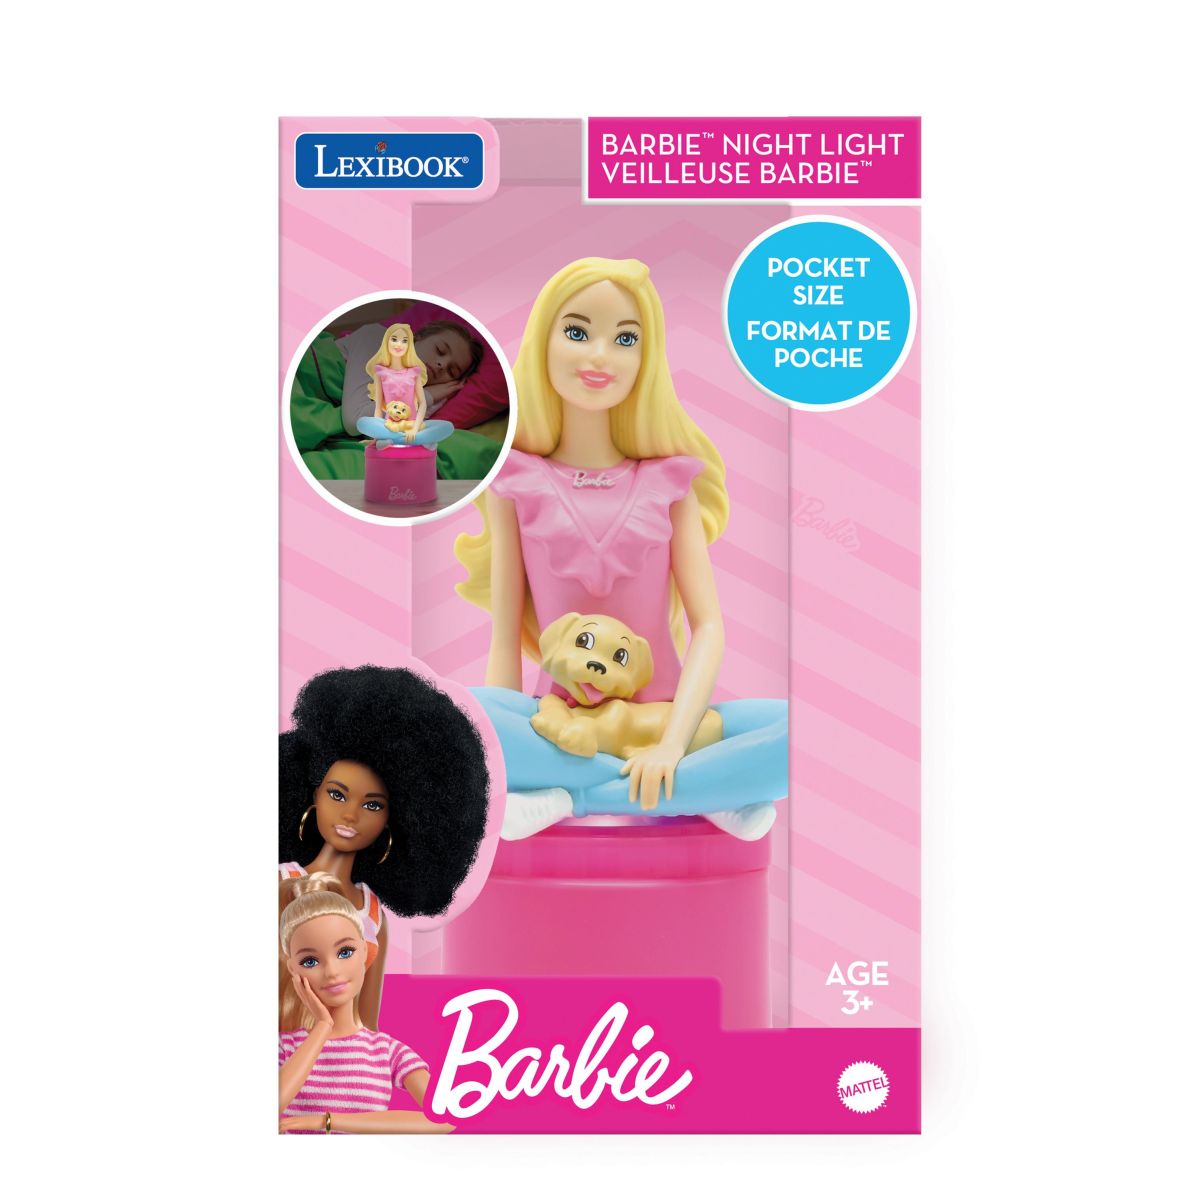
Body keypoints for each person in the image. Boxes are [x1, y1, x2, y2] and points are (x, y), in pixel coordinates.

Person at [454, 257, 786, 841]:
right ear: (543, 342)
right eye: (577, 332)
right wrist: (505, 749)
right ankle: (705, 789)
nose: (600, 356)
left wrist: (672, 744)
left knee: (801, 732)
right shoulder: (515, 480)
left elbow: (709, 627)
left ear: (645, 359)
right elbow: (504, 638)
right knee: (466, 717)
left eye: (625, 339)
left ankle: (573, 795)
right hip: (556, 727)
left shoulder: (671, 483)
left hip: (667, 720)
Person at [279, 665, 491, 1028]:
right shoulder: (282, 883)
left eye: (373, 805)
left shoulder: (372, 913)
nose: (351, 815)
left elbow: (367, 1023)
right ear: (313, 793)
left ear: (394, 821)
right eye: (337, 795)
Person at [278, 874, 451, 1134]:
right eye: (310, 961)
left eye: (345, 952)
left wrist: (326, 1121)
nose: (332, 972)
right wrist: (323, 1026)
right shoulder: (285, 1047)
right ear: (293, 969)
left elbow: (445, 1118)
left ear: (366, 952)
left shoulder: (387, 1051)